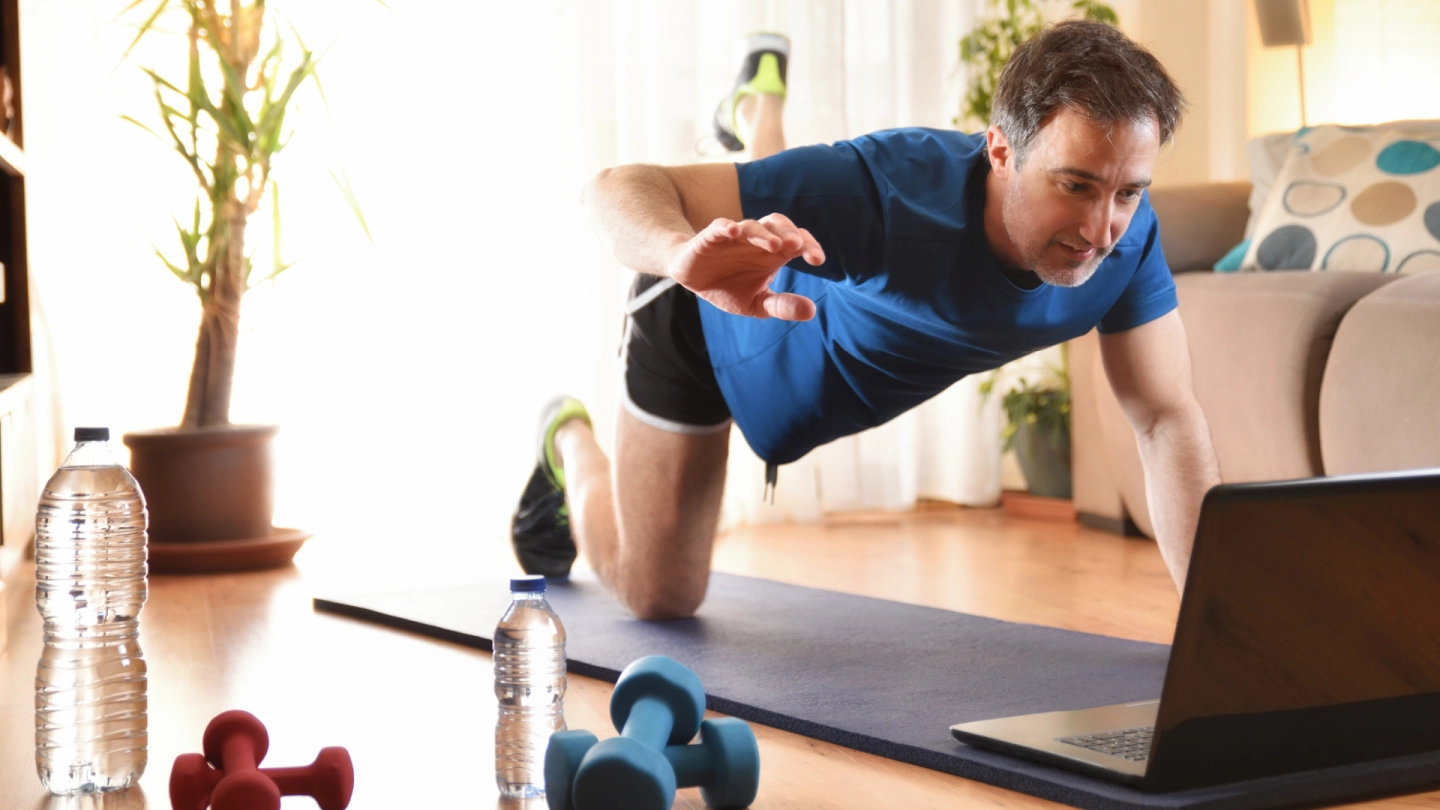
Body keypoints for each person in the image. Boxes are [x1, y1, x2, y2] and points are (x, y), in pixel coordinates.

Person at [511, 22, 1222, 620]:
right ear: (1000, 150)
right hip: (705, 310)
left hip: (793, 286)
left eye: (1129, 191)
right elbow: (613, 187)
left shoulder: (1128, 242)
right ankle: (567, 440)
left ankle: (754, 113)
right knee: (658, 593)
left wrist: (1218, 626)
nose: (1102, 228)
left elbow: (1165, 419)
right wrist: (677, 253)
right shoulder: (889, 188)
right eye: (1076, 185)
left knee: (790, 204)